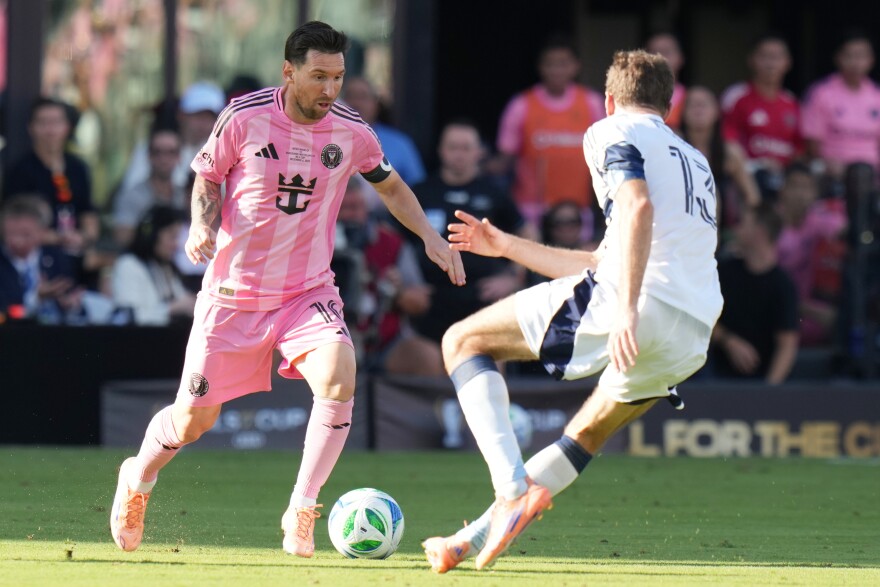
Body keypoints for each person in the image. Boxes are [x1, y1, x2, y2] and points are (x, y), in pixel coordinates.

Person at [109, 21, 464, 558]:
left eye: (338, 77)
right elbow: (208, 175)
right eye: (318, 76)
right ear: (289, 71)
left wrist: (431, 239)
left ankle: (302, 508)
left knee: (340, 374)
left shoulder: (351, 130)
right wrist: (204, 226)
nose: (329, 89)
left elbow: (391, 186)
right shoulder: (244, 116)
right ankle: (137, 478)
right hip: (233, 295)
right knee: (194, 418)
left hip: (306, 291)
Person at [422, 50, 722, 572]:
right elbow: (597, 259)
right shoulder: (695, 160)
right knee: (585, 433)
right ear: (669, 108)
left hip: (640, 300)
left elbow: (636, 208)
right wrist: (507, 247)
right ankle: (468, 538)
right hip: (693, 329)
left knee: (463, 342)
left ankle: (511, 488)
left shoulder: (608, 130)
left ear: (608, 100)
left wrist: (626, 308)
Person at [406, 119, 531, 346]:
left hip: (483, 295)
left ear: (479, 152)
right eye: (453, 147)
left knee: (488, 358)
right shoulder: (420, 193)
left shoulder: (495, 193)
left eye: (466, 148)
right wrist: (404, 286)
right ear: (441, 151)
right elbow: (392, 240)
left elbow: (528, 233)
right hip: (431, 298)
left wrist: (513, 277)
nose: (459, 154)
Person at [489, 34, 605, 231]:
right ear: (540, 67)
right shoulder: (521, 105)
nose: (556, 70)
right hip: (530, 210)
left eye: (563, 63)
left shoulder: (592, 103)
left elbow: (606, 157)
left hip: (577, 212)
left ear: (576, 66)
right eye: (550, 64)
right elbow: (504, 160)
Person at [335, 177, 442, 375]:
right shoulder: (313, 243)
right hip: (326, 338)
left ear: (367, 208)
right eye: (343, 209)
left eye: (356, 207)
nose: (350, 215)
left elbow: (420, 302)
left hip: (381, 339)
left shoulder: (390, 243)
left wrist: (398, 291)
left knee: (426, 357)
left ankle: (421, 407)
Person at [5, 98, 100, 276]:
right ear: (31, 128)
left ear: (68, 127)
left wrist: (84, 237)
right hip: (37, 262)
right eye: (43, 122)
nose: (50, 130)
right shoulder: (20, 170)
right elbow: (12, 225)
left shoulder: (78, 168)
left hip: (78, 261)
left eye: (56, 122)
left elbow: (89, 214)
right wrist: (59, 238)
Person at [710, 203, 799, 383]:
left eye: (743, 223)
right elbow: (703, 318)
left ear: (759, 231)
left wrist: (767, 392)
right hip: (715, 377)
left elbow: (787, 344)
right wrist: (728, 341)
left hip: (759, 382)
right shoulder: (724, 272)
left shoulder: (783, 286)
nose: (736, 228)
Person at [721, 34, 802, 198]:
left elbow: (800, 149)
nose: (771, 63)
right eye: (764, 56)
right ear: (752, 60)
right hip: (748, 176)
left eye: (777, 57)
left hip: (784, 177)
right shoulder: (737, 96)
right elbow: (727, 142)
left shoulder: (792, 102)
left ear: (788, 63)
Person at [775, 164, 847, 346]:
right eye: (795, 186)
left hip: (806, 312)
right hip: (775, 307)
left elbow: (845, 230)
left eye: (807, 187)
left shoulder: (820, 220)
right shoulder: (770, 223)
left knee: (842, 318)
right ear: (782, 189)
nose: (801, 194)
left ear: (815, 194)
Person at [680, 85, 761, 240]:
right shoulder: (670, 147)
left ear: (717, 112)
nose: (698, 109)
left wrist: (743, 232)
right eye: (692, 104)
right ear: (682, 112)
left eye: (704, 104)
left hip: (724, 235)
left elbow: (752, 198)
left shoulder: (731, 153)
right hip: (680, 231)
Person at [118, 80, 227, 193]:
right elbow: (131, 193)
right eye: (198, 116)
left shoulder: (222, 156)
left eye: (210, 117)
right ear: (181, 115)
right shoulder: (151, 149)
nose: (204, 123)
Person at [801, 31, 880, 179]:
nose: (856, 62)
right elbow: (813, 144)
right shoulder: (821, 93)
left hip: (872, 177)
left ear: (871, 60)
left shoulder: (877, 96)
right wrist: (827, 163)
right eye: (849, 56)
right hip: (832, 174)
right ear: (838, 58)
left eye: (861, 56)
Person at [0, 194, 81, 323]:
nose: (17, 241)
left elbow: (71, 295)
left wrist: (69, 303)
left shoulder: (57, 258)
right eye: (11, 233)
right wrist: (35, 299)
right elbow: (4, 313)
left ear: (42, 232)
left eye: (25, 234)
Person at [110, 206, 196, 326]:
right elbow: (127, 317)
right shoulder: (128, 265)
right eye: (172, 237)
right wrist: (172, 309)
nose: (176, 245)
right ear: (152, 235)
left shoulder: (166, 267)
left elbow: (184, 301)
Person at [341, 76, 426, 186]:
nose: (356, 103)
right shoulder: (324, 141)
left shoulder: (400, 144)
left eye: (363, 97)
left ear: (376, 105)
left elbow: (419, 189)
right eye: (350, 96)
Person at [112, 127, 187, 248]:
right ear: (148, 156)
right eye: (157, 152)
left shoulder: (186, 195)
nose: (164, 159)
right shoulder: (132, 195)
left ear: (179, 157)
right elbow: (122, 238)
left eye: (171, 152)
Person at [645, 31, 686, 129]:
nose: (660, 57)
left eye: (667, 52)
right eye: (654, 52)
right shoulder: (633, 99)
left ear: (680, 58)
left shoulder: (690, 98)